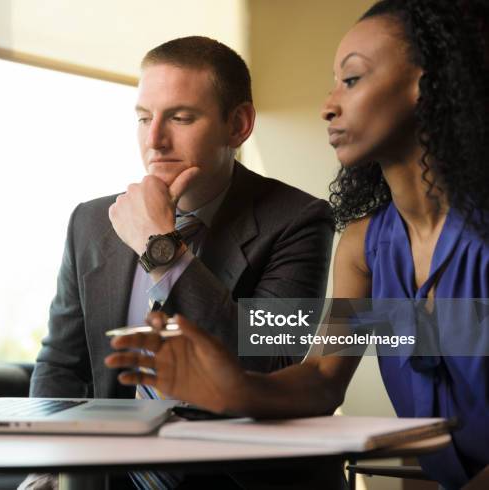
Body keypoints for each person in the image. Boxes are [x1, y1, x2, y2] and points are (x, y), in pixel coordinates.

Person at [105, 1, 489, 488]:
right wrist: (234, 388)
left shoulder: (302, 222)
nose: (328, 104)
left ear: (426, 85)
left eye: (351, 80)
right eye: (144, 118)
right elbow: (324, 380)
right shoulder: (365, 246)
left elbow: (269, 347)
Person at [29, 36, 334, 402]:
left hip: (227, 455)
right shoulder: (90, 221)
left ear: (238, 124)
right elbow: (61, 365)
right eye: (144, 118)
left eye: (180, 118)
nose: (154, 140)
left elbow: (269, 361)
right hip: (111, 454)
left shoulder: (298, 219)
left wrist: (159, 246)